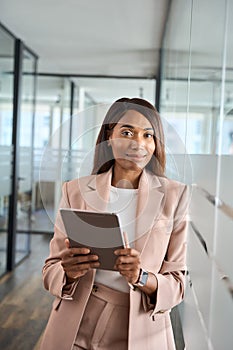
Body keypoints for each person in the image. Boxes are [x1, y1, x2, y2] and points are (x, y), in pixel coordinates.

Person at [40, 97, 189, 350]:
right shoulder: (75, 191)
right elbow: (50, 269)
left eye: (148, 135)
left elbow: (178, 283)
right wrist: (69, 272)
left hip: (140, 329)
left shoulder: (175, 196)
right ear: (110, 137)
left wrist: (141, 277)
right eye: (127, 132)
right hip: (76, 321)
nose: (138, 144)